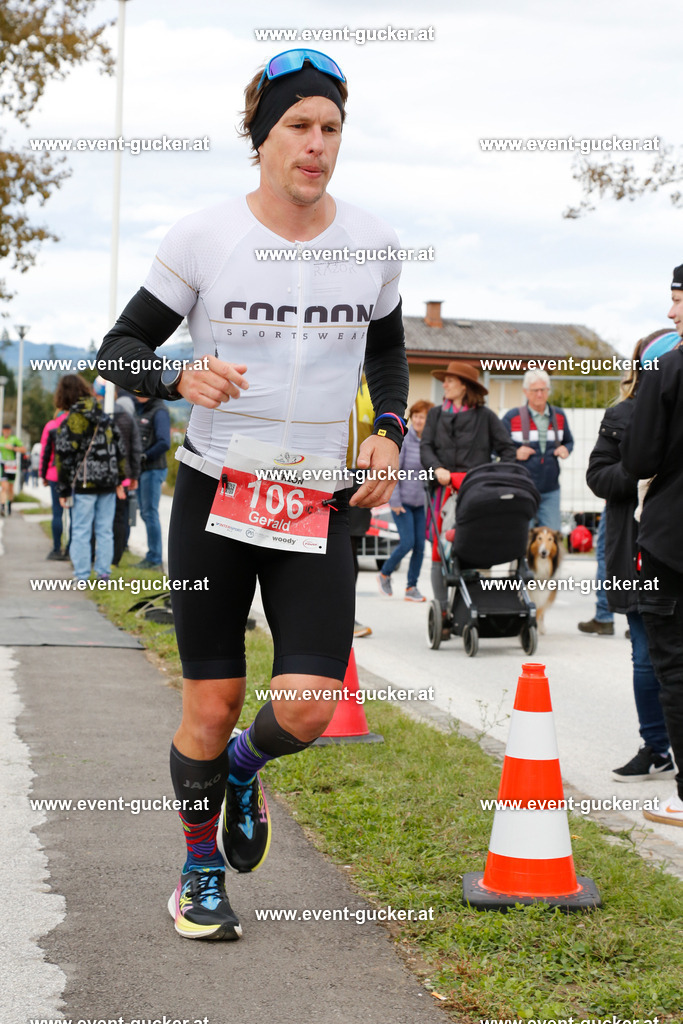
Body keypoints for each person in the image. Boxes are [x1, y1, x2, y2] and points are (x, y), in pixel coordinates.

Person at [97, 48, 409, 939]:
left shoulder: (374, 245)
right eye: (298, 127)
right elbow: (117, 351)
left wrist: (388, 428)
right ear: (261, 138)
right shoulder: (203, 237)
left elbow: (386, 353)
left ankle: (243, 769)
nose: (316, 145)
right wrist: (175, 377)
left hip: (319, 502)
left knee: (307, 703)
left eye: (331, 129)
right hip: (216, 494)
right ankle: (199, 874)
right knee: (210, 700)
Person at [586, 330, 678, 783]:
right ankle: (657, 747)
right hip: (636, 550)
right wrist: (640, 472)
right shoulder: (620, 414)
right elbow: (598, 476)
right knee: (646, 656)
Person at [622, 263, 683, 827]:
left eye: (678, 301)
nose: (671, 313)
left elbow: (638, 460)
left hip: (670, 538)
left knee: (673, 664)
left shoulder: (666, 368)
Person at [420, 361, 515, 613]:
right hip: (443, 491)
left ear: (464, 386)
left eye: (450, 380)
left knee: (476, 547)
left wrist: (489, 476)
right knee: (440, 551)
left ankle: (470, 606)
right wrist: (437, 468)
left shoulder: (486, 417)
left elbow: (508, 451)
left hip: (476, 494)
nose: (445, 384)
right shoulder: (435, 414)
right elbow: (425, 447)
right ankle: (442, 609)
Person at [55, 377, 126, 581]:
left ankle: (82, 575)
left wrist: (63, 489)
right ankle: (103, 573)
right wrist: (120, 479)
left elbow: (65, 455)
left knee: (81, 530)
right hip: (108, 482)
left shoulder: (73, 419)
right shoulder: (104, 415)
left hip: (85, 483)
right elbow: (118, 449)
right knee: (105, 530)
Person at [502, 368, 573, 531]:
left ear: (548, 391)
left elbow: (569, 441)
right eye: (535, 390)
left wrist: (565, 449)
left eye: (543, 390)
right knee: (520, 536)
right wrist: (515, 453)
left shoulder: (559, 416)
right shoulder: (512, 417)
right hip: (521, 488)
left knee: (551, 538)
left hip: (550, 489)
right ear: (525, 392)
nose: (540, 394)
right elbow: (498, 447)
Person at [377, 399, 433, 601]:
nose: (418, 420)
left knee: (420, 546)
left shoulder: (429, 441)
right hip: (402, 502)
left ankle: (411, 588)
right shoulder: (406, 439)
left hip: (421, 504)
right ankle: (385, 572)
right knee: (407, 542)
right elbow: (395, 471)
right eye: (416, 416)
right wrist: (395, 501)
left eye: (423, 417)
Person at [40, 375, 92, 560]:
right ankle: (71, 550)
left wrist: (43, 475)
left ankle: (56, 549)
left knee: (57, 512)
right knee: (75, 515)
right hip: (79, 475)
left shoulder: (53, 424)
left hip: (56, 474)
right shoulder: (85, 421)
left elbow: (45, 453)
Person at [347, 378, 375, 637]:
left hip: (358, 476)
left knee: (350, 549)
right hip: (320, 470)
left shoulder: (370, 389)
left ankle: (345, 616)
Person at [134, 394, 170, 570]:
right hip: (143, 469)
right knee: (145, 513)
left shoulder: (159, 411)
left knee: (150, 513)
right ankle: (152, 555)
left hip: (154, 468)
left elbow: (165, 442)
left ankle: (155, 559)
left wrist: (145, 455)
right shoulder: (140, 409)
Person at [0, 423, 26, 515]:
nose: (6, 432)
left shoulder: (14, 439)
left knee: (10, 488)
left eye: (8, 431)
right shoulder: (1, 439)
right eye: (5, 431)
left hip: (12, 466)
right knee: (4, 487)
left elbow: (24, 450)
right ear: (3, 431)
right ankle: (2, 506)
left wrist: (13, 448)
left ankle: (9, 505)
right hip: (3, 465)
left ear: (10, 431)